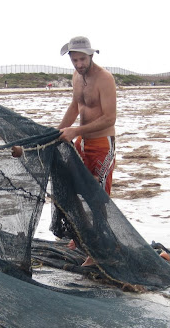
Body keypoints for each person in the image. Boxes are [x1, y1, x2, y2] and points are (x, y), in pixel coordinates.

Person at [57, 36, 117, 266]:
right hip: (81, 141)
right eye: (74, 60)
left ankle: (99, 249)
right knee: (79, 190)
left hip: (102, 143)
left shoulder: (105, 79)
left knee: (98, 196)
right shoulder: (76, 77)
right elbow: (75, 107)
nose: (79, 64)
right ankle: (84, 237)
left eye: (82, 59)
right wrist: (61, 130)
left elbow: (110, 117)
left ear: (91, 55)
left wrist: (76, 130)